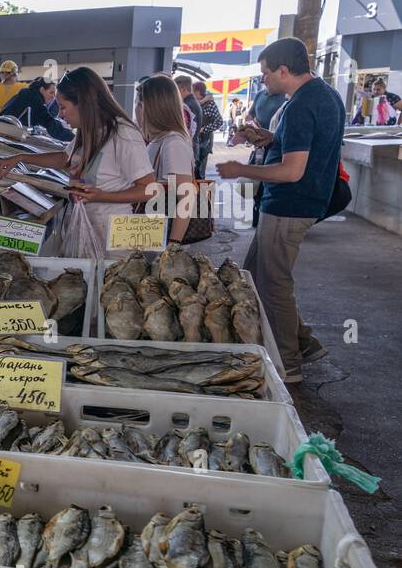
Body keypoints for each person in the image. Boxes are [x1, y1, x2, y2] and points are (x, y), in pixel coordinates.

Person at [216, 37, 345, 383]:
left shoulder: (303, 104)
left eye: (265, 74)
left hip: (290, 204)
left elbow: (292, 171)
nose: (263, 81)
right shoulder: (323, 95)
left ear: (284, 71)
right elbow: (302, 147)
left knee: (273, 284)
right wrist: (267, 138)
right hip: (297, 202)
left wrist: (240, 170)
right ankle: (303, 342)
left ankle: (287, 364)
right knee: (255, 276)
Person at [0, 67, 154, 253]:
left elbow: (148, 189)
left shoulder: (122, 133)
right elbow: (65, 158)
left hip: (114, 236)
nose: (60, 114)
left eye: (63, 107)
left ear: (84, 104)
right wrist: (21, 157)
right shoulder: (88, 129)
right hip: (84, 226)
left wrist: (101, 196)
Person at [136, 75, 198, 244]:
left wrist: (173, 245)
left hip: (163, 239)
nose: (136, 110)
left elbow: (186, 197)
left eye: (138, 104)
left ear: (148, 108)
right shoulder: (159, 140)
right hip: (153, 236)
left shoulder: (173, 143)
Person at [0, 77, 74, 142]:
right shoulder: (34, 100)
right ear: (42, 90)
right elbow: (50, 124)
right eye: (51, 93)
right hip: (8, 135)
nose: (53, 97)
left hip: (3, 131)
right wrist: (74, 138)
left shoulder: (27, 94)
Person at [191, 82, 224, 179]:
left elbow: (219, 122)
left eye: (193, 91)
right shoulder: (196, 103)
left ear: (197, 91)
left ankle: (200, 193)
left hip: (204, 143)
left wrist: (204, 129)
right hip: (194, 142)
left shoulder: (210, 104)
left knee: (200, 172)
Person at [175, 73, 201, 147]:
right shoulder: (192, 102)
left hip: (188, 146)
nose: (174, 93)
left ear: (183, 89)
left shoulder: (187, 106)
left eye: (176, 90)